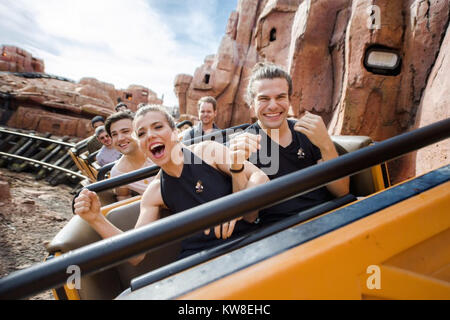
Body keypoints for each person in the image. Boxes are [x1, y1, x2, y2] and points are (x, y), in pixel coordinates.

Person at [74, 105, 269, 264]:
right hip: (198, 260)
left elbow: (259, 177)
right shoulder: (155, 192)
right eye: (141, 134)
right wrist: (96, 219)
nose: (149, 135)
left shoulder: (207, 152)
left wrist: (235, 206)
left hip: (245, 244)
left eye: (158, 127)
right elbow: (136, 255)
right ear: (141, 144)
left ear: (175, 132)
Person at [230, 62, 350, 225]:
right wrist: (236, 166)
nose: (273, 105)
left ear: (289, 99)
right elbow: (249, 217)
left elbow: (342, 191)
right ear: (252, 105)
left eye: (280, 97)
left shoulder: (306, 132)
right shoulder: (245, 143)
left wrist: (326, 144)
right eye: (264, 99)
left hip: (329, 216)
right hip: (281, 231)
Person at [104, 111, 154, 200]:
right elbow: (123, 197)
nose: (120, 138)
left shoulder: (159, 149)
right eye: (114, 134)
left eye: (126, 131)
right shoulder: (118, 172)